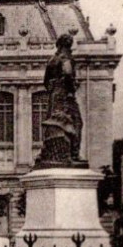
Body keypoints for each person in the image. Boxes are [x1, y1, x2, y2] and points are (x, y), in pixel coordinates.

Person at [40, 33, 83, 162]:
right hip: (66, 95)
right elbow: (68, 73)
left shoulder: (52, 60)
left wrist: (54, 87)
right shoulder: (66, 58)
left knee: (54, 122)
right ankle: (73, 154)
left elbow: (46, 81)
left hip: (54, 94)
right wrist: (72, 88)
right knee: (76, 122)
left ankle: (50, 151)